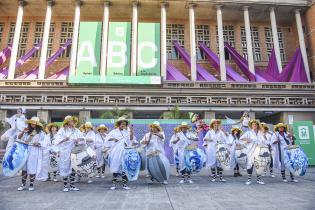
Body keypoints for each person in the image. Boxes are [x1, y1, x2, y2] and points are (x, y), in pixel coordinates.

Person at [104, 117, 137, 190]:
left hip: (124, 152)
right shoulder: (114, 132)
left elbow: (131, 139)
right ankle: (114, 184)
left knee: (124, 168)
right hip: (116, 152)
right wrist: (113, 139)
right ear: (119, 124)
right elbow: (107, 139)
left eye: (124, 124)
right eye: (122, 124)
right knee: (115, 167)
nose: (123, 125)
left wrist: (131, 131)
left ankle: (124, 185)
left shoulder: (126, 132)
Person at [55, 116, 85, 192]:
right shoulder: (62, 130)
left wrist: (78, 140)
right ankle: (65, 185)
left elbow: (82, 139)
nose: (72, 122)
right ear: (67, 122)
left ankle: (72, 185)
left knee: (73, 168)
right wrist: (64, 139)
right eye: (71, 121)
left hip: (74, 151)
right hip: (64, 152)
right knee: (65, 167)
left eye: (73, 121)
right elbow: (56, 141)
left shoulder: (76, 130)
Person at [17, 117, 47, 191]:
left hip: (34, 151)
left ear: (37, 124)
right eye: (32, 122)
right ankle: (23, 185)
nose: (33, 124)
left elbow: (45, 142)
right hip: (26, 150)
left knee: (32, 168)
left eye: (34, 123)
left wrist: (38, 143)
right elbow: (19, 138)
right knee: (24, 168)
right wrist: (23, 132)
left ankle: (31, 185)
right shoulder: (27, 131)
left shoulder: (41, 133)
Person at [239, 119, 265, 185]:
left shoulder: (260, 133)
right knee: (250, 165)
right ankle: (249, 179)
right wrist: (247, 140)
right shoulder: (249, 132)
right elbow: (241, 138)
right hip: (250, 151)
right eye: (253, 124)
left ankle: (259, 180)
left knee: (259, 165)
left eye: (255, 124)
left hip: (259, 151)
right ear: (251, 125)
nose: (254, 125)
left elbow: (264, 141)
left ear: (257, 125)